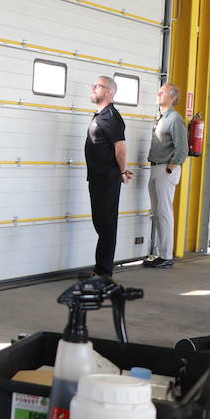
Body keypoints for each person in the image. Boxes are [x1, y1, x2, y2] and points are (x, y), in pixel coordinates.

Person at [84, 76, 132, 277]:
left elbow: (120, 150)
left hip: (107, 180)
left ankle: (103, 272)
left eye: (97, 86)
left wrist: (121, 172)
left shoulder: (111, 117)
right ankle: (101, 269)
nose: (93, 88)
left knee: (106, 225)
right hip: (98, 178)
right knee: (101, 223)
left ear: (109, 92)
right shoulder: (101, 115)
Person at [144, 83, 188, 269]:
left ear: (172, 97)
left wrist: (171, 167)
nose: (158, 93)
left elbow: (182, 148)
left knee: (163, 212)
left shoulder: (175, 119)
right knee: (157, 212)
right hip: (156, 167)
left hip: (165, 169)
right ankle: (161, 254)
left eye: (162, 92)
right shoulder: (161, 118)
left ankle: (166, 255)